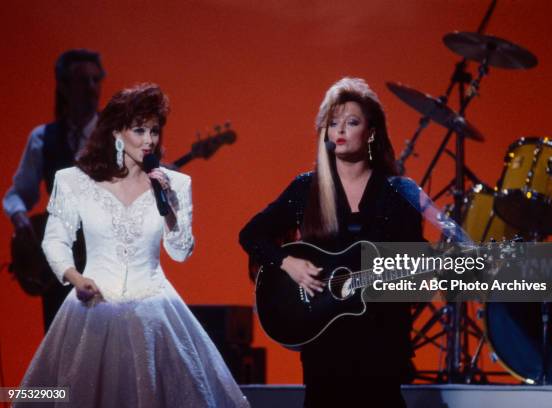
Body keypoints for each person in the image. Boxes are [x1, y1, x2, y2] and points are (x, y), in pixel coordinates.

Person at [16, 83, 249, 407]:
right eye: (139, 129)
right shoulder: (74, 181)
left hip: (154, 313)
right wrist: (76, 277)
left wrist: (170, 207)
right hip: (92, 309)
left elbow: (180, 252)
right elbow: (55, 240)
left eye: (154, 130)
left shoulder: (175, 184)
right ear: (116, 132)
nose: (149, 139)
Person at [239, 77, 424, 407]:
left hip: (380, 345)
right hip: (323, 344)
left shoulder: (398, 192)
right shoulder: (305, 189)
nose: (340, 130)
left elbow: (416, 276)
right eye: (333, 123)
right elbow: (251, 235)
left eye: (351, 122)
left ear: (371, 132)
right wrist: (288, 263)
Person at [3, 49, 105, 331]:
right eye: (83, 81)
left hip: (105, 260)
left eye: (96, 80)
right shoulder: (42, 138)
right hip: (59, 262)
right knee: (61, 344)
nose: (91, 88)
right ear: (63, 86)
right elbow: (17, 194)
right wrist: (20, 218)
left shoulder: (115, 137)